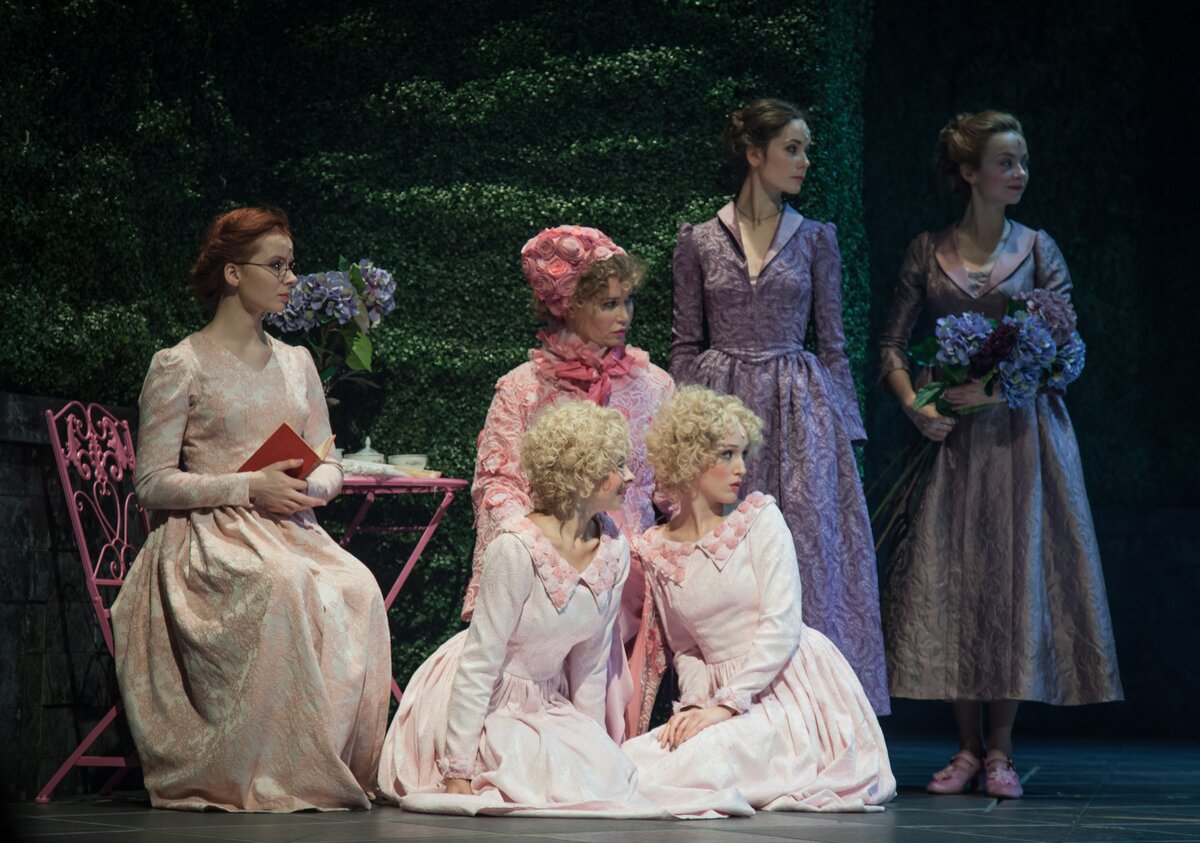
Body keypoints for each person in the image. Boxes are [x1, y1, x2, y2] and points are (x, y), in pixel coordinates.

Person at [110, 207, 390, 811]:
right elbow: (152, 483)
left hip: (292, 527)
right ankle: (266, 767)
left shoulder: (298, 362)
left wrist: (313, 488)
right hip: (209, 538)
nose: (291, 278)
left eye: (292, 265)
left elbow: (329, 458)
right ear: (234, 274)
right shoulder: (180, 364)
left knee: (359, 587)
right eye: (277, 266)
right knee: (283, 582)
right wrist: (247, 487)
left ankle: (331, 763)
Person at [878, 110, 1123, 798]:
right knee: (958, 577)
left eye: (1023, 162)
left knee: (1013, 577)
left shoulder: (1038, 248)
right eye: (1006, 162)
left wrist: (1000, 387)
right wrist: (915, 403)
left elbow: (1066, 351)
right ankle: (964, 746)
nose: (1020, 173)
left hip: (1022, 438)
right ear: (969, 172)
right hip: (953, 441)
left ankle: (1001, 749)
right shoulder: (928, 250)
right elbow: (892, 344)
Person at [669, 99, 888, 714]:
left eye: (806, 149)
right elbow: (685, 343)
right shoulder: (698, 240)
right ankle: (728, 700)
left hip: (797, 409)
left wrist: (843, 431)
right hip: (721, 402)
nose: (805, 161)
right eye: (793, 148)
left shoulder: (816, 238)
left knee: (808, 551)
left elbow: (834, 344)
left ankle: (817, 709)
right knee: (723, 554)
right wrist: (678, 431)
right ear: (753, 153)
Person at [378, 401, 665, 817]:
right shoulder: (516, 549)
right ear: (582, 473)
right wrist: (458, 769)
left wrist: (593, 750)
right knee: (533, 774)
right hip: (488, 697)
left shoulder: (613, 547)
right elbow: (480, 662)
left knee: (598, 780)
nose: (630, 476)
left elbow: (590, 662)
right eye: (616, 466)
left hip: (546, 700)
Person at [622, 386, 895, 815]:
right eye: (727, 454)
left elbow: (781, 626)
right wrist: (695, 705)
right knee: (635, 758)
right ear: (690, 457)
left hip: (786, 690)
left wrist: (727, 704)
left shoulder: (760, 519)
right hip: (718, 697)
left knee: (703, 761)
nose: (742, 468)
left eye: (743, 454)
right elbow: (687, 647)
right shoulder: (656, 548)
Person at [464, 225, 674, 738]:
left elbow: (672, 490)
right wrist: (543, 552)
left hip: (629, 559)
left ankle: (605, 740)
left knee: (627, 578)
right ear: (567, 305)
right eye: (608, 304)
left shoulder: (654, 386)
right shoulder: (523, 388)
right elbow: (497, 482)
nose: (625, 316)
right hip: (546, 551)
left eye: (628, 302)